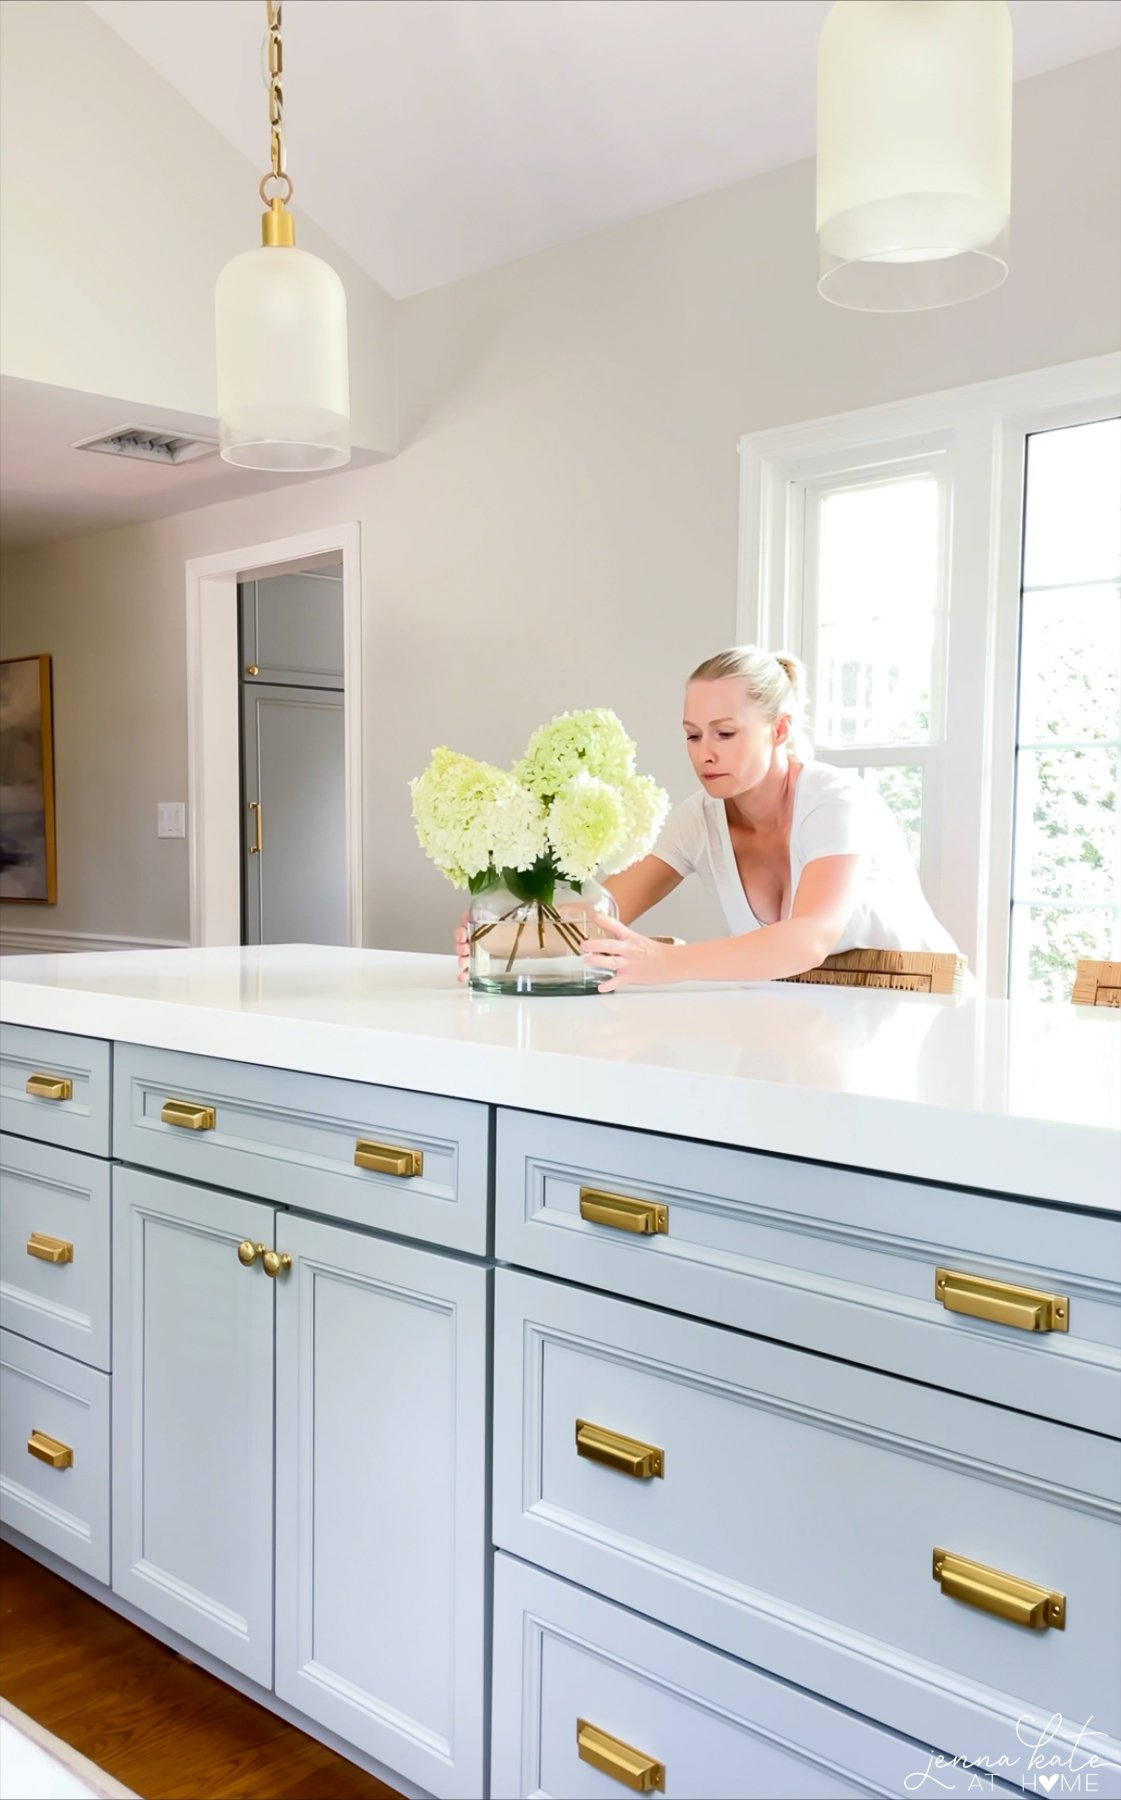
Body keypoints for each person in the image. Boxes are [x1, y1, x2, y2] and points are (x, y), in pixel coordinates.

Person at [457, 646, 960, 992]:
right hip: (818, 1019)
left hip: (923, 1010)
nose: (705, 754)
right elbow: (604, 917)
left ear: (779, 729)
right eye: (693, 735)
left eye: (725, 733)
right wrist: (497, 935)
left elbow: (810, 938)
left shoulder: (835, 801)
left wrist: (670, 964)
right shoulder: (699, 819)